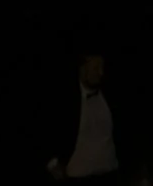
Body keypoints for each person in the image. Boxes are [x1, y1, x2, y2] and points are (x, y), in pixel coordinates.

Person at [46, 47, 118, 179]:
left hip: (111, 175)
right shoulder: (66, 101)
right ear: (83, 68)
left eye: (102, 67)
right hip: (77, 177)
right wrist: (52, 163)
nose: (101, 73)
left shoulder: (109, 96)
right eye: (96, 68)